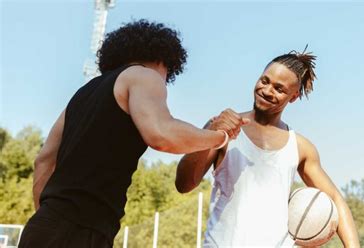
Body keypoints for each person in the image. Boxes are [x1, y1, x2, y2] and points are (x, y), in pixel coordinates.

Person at [19, 19, 235, 248]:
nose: (164, 82)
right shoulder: (143, 76)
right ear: (163, 60)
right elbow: (161, 134)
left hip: (42, 227)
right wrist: (220, 137)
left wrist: (50, 219)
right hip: (83, 229)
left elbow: (43, 160)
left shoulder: (81, 95)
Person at [176, 49, 360, 247]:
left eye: (279, 89)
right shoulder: (223, 127)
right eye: (265, 81)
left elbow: (334, 199)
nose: (267, 91)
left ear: (294, 96)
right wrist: (210, 133)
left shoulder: (300, 147)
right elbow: (184, 184)